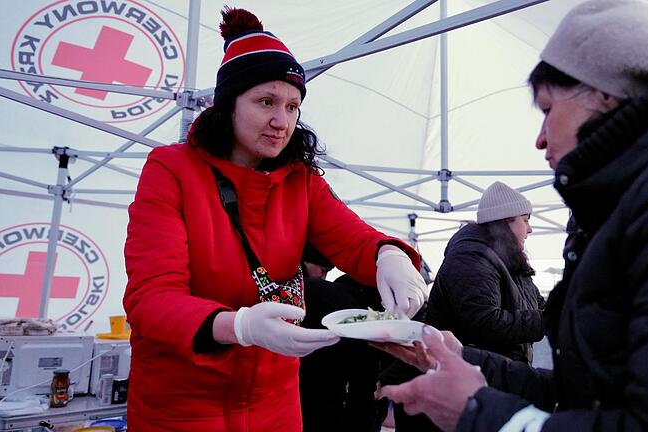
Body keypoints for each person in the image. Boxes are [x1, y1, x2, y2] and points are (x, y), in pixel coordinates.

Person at [378, 0, 648, 430]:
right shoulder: (644, 201)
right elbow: (588, 397)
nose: (540, 139)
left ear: (605, 94)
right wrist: (466, 362)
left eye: (548, 109)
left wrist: (480, 413)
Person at [123, 7, 427, 431]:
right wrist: (239, 326)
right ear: (227, 105)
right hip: (180, 406)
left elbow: (354, 240)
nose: (281, 121)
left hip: (276, 403)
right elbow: (150, 299)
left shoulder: (300, 182)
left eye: (292, 105)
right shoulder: (171, 169)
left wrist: (389, 256)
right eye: (265, 101)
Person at [427, 181, 545, 364]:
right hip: (469, 375)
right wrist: (550, 320)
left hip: (502, 372)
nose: (530, 229)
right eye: (525, 219)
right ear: (506, 220)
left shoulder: (511, 261)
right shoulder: (470, 258)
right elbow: (485, 323)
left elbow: (538, 305)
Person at [299, 244, 390, 432]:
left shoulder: (307, 291)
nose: (322, 276)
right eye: (323, 270)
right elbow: (365, 390)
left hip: (292, 404)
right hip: (331, 409)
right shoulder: (369, 319)